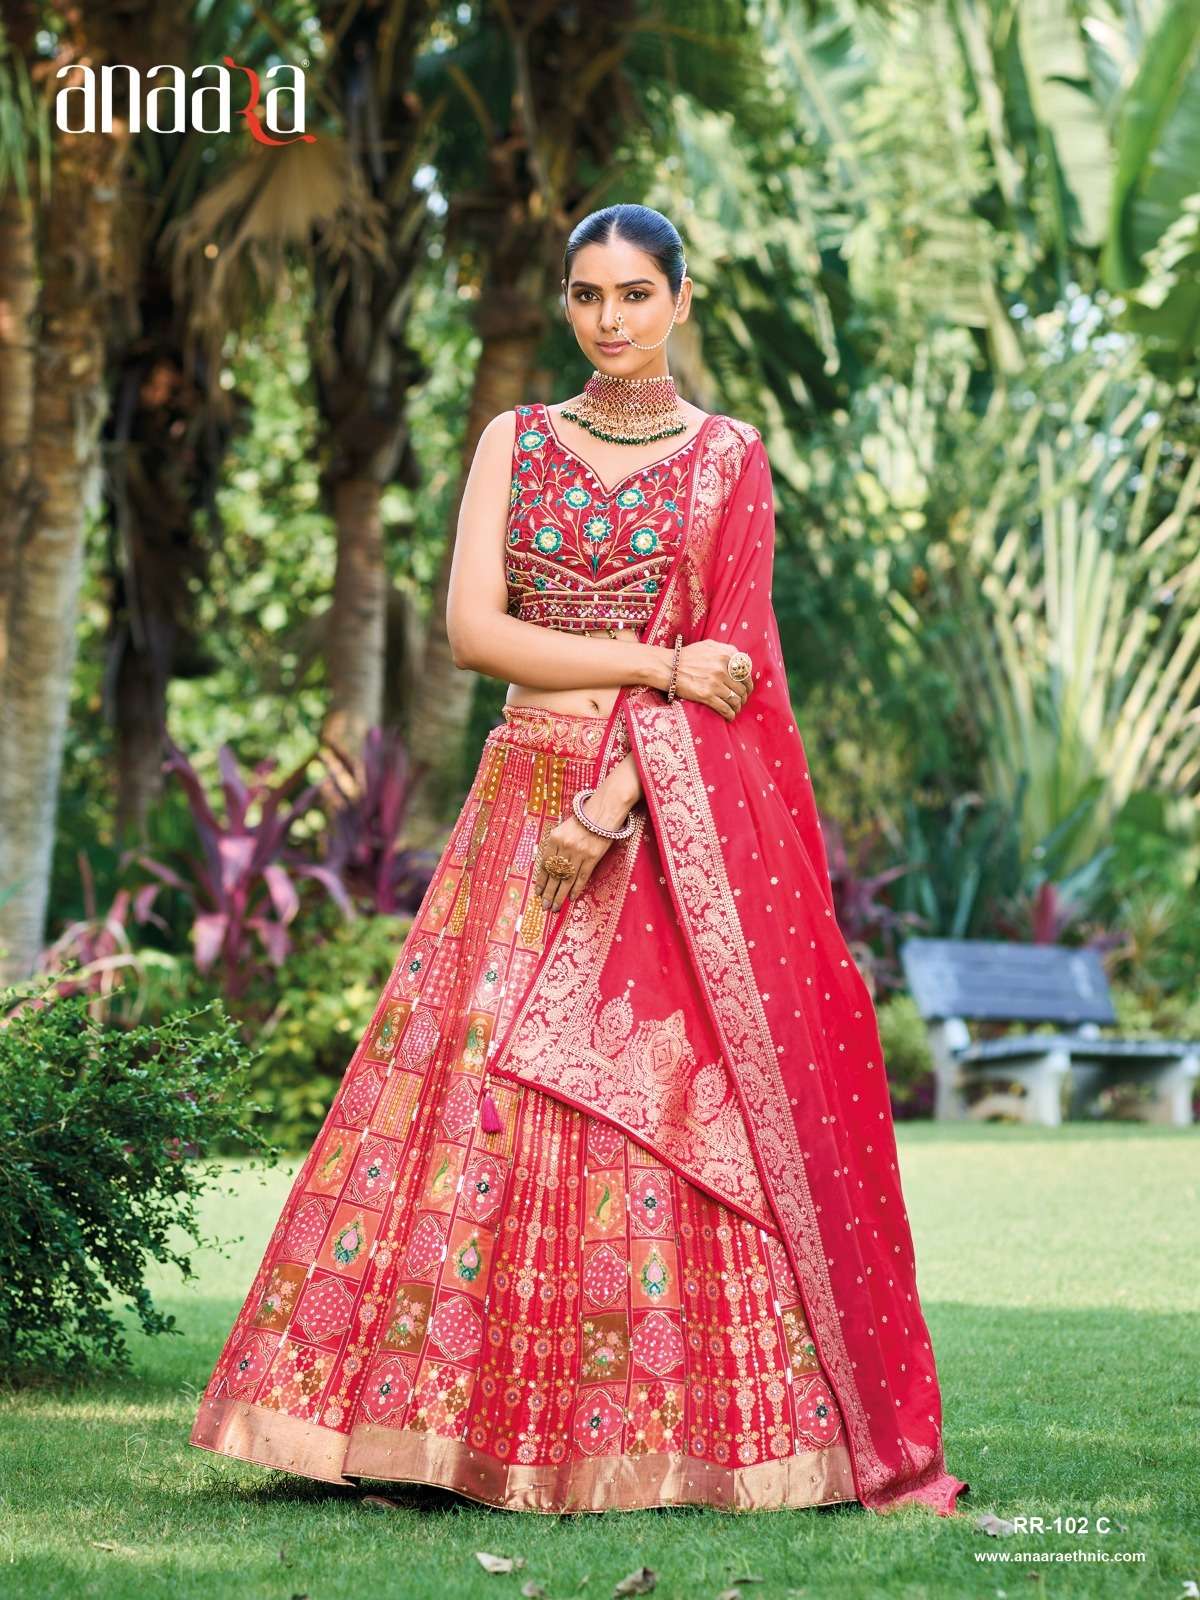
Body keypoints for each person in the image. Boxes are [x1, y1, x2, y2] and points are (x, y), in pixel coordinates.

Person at [190, 203, 970, 1518]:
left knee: (643, 1110)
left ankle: (664, 1436)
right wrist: (653, 661)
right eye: (589, 295)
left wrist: (611, 804)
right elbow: (475, 634)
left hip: (653, 820)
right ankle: (419, 1427)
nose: (611, 319)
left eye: (635, 294)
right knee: (473, 1090)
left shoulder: (728, 459)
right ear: (566, 303)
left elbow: (736, 671)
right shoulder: (517, 440)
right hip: (519, 800)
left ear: (679, 301)